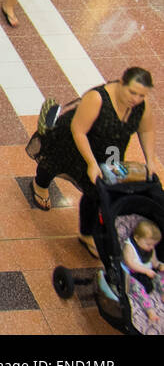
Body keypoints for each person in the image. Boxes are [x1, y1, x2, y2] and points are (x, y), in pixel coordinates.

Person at [30, 67, 163, 258]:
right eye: (132, 92)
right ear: (121, 83)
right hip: (76, 140)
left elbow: (147, 130)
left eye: (141, 95)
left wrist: (150, 159)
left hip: (110, 148)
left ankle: (86, 234)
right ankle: (39, 184)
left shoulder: (142, 105)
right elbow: (79, 131)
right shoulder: (97, 98)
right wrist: (91, 163)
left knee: (97, 190)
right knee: (54, 162)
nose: (136, 99)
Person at [124, 219, 163, 294]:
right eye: (148, 244)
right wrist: (146, 271)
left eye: (154, 245)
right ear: (136, 238)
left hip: (149, 273)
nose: (151, 247)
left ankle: (161, 293)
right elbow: (130, 263)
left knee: (160, 278)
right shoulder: (129, 247)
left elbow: (155, 263)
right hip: (134, 274)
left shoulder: (151, 249)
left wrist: (159, 265)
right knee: (138, 286)